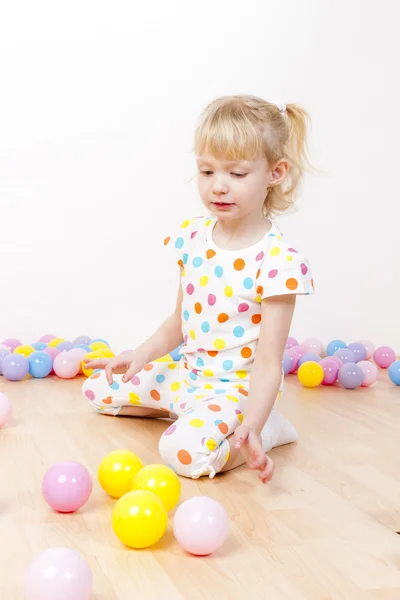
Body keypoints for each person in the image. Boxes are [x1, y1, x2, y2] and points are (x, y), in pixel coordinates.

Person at [83, 94, 314, 483]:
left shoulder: (278, 261)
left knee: (181, 453)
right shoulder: (193, 237)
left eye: (237, 174)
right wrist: (138, 356)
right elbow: (179, 320)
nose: (219, 187)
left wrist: (253, 423)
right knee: (99, 390)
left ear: (275, 173)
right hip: (188, 377)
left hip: (235, 391)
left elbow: (268, 364)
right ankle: (192, 415)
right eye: (207, 172)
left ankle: (267, 430)